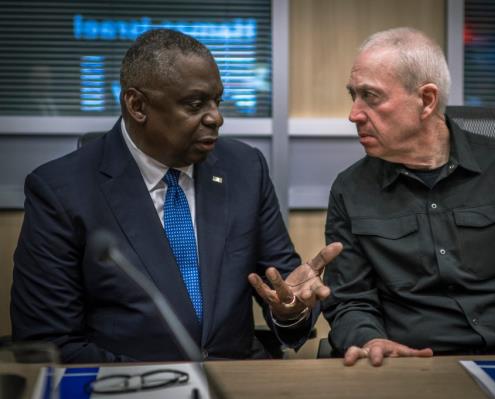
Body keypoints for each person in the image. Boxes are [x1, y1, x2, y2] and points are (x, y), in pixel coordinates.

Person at [11, 29, 341, 363]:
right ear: (137, 105)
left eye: (217, 101)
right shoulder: (61, 190)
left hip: (240, 382)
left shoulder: (245, 169)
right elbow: (49, 343)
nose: (216, 117)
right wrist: (165, 383)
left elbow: (283, 288)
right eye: (195, 104)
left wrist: (290, 311)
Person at [322, 27, 495, 367]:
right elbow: (350, 300)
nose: (354, 114)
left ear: (426, 100)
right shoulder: (350, 190)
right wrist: (369, 339)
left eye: (371, 97)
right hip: (412, 367)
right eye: (354, 96)